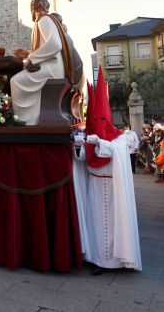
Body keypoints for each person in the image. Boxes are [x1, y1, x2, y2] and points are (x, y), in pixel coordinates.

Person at [73, 68, 142, 275]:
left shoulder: (121, 137)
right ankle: (96, 259)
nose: (98, 125)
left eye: (102, 121)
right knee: (95, 224)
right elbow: (82, 157)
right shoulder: (90, 135)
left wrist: (100, 140)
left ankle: (118, 260)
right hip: (94, 184)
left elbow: (117, 150)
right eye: (95, 122)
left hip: (114, 187)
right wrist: (79, 145)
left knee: (114, 224)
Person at [10, 0, 73, 125]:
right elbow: (47, 47)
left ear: (33, 9)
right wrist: (29, 54)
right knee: (21, 78)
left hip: (53, 68)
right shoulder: (48, 20)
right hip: (54, 65)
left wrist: (32, 59)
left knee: (15, 81)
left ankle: (23, 119)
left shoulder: (43, 20)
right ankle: (32, 119)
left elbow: (55, 45)